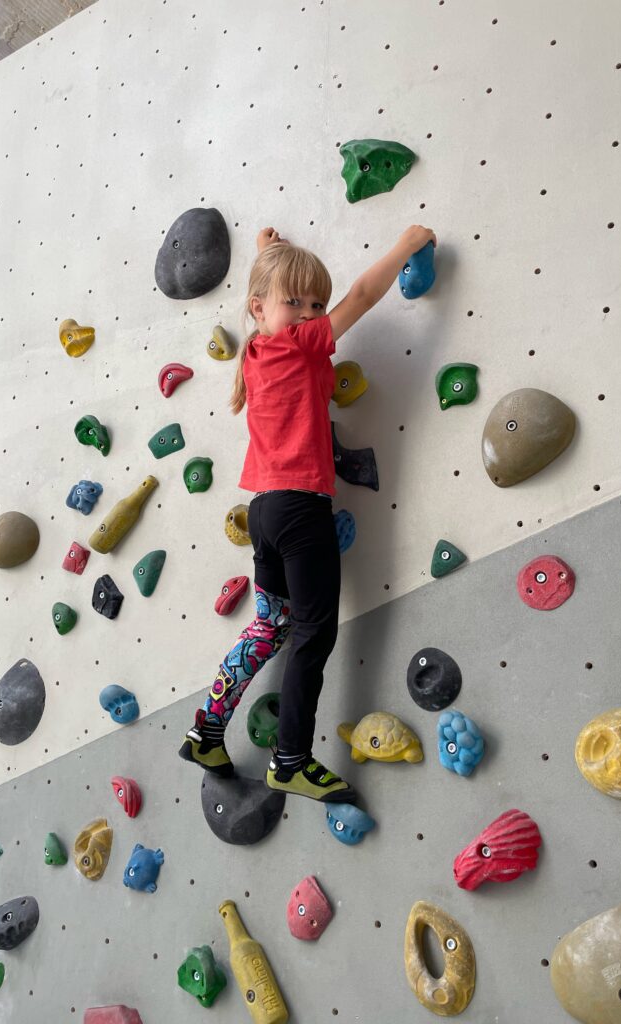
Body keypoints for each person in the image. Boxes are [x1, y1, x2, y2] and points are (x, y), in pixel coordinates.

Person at [179, 223, 437, 802]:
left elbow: (269, 302)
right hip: (300, 511)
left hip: (265, 512)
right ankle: (291, 759)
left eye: (316, 303)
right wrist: (404, 244)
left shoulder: (255, 352)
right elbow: (365, 296)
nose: (311, 312)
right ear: (259, 306)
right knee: (313, 633)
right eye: (296, 302)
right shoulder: (301, 342)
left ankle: (206, 728)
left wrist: (269, 255)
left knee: (271, 626)